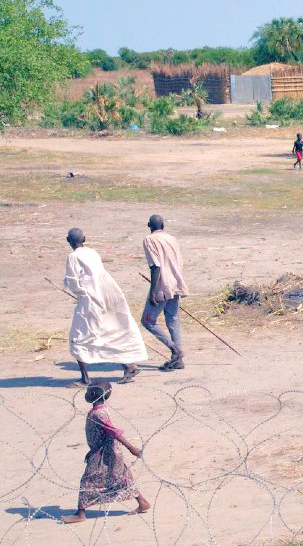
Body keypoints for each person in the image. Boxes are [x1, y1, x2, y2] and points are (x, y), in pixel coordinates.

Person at [64, 228, 146, 387]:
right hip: (108, 295)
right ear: (85, 239)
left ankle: (85, 379)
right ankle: (129, 366)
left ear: (68, 240)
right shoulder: (93, 253)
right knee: (108, 331)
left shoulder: (73, 257)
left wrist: (78, 292)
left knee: (78, 338)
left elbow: (72, 280)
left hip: (90, 300)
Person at [61, 381, 151, 523]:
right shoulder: (100, 410)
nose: (86, 393)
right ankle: (142, 502)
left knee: (87, 480)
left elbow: (113, 432)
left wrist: (131, 448)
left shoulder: (99, 413)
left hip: (105, 452)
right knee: (121, 477)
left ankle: (81, 513)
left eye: (88, 391)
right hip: (104, 450)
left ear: (93, 394)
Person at [141, 215, 188, 371]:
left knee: (148, 321)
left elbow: (155, 266)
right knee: (173, 319)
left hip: (163, 285)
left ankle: (175, 349)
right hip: (176, 282)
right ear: (163, 225)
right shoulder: (172, 239)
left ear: (149, 225)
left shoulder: (149, 240)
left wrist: (153, 291)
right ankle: (178, 359)